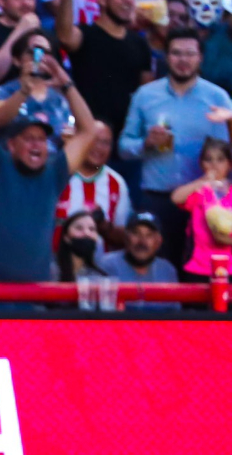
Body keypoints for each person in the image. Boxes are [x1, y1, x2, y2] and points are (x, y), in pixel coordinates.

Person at [0, 35, 97, 283]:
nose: (37, 144)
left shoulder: (54, 173)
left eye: (41, 139)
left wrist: (66, 83)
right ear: (11, 145)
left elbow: (89, 131)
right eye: (28, 138)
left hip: (34, 295)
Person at [120, 29, 232, 268]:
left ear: (200, 57)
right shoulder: (145, 96)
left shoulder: (218, 98)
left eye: (190, 54)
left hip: (206, 203)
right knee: (160, 275)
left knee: (203, 277)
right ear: (166, 56)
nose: (183, 60)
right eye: (176, 53)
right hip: (157, 199)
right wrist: (145, 143)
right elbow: (123, 147)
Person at [56, 0, 152, 138]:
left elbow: (146, 95)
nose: (128, 2)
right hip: (88, 137)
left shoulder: (140, 44)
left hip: (126, 141)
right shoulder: (85, 35)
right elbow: (65, 37)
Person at [55, 121, 131, 251]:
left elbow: (124, 237)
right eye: (94, 140)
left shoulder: (117, 183)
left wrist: (103, 226)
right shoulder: (56, 175)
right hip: (54, 266)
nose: (99, 148)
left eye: (105, 143)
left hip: (99, 268)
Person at [0, 30, 73, 141]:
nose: (39, 58)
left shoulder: (60, 99)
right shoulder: (2, 92)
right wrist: (23, 92)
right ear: (17, 60)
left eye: (45, 53)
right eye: (33, 52)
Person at [170, 137, 232, 280]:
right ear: (201, 164)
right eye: (208, 159)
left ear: (229, 164)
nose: (214, 164)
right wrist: (204, 181)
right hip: (199, 266)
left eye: (220, 159)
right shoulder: (199, 191)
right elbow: (176, 198)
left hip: (230, 267)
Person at [100, 212, 181, 309]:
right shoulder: (107, 265)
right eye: (136, 233)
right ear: (126, 237)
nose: (142, 241)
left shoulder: (167, 270)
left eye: (149, 235)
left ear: (159, 241)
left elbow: (176, 316)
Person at [0, 0, 40, 90]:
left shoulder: (43, 34)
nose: (27, 3)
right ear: (1, 2)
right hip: (0, 99)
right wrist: (20, 31)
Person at [55, 209, 105, 280]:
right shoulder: (50, 272)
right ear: (66, 237)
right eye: (79, 228)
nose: (87, 233)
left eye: (92, 229)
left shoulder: (99, 277)